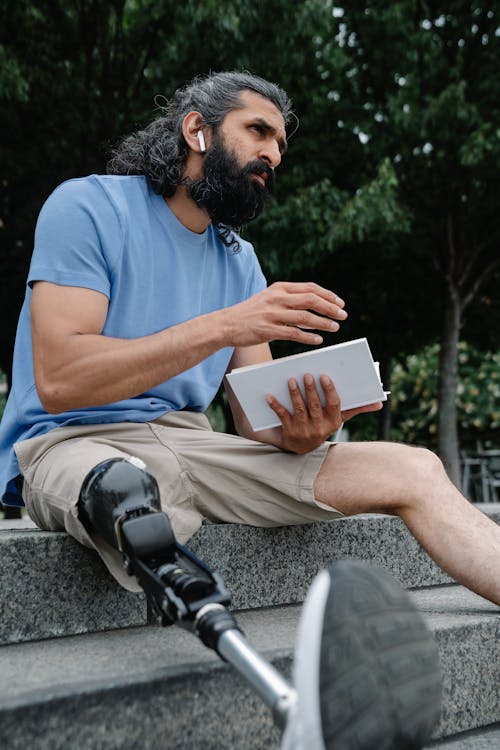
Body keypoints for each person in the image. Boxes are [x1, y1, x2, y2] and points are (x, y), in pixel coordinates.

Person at [0, 68, 496, 748]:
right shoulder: (86, 207)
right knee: (136, 495)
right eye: (258, 132)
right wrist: (227, 325)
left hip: (191, 439)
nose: (273, 155)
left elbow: (259, 422)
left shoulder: (238, 260)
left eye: (282, 145)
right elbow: (59, 378)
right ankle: (287, 704)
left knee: (411, 467)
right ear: (197, 130)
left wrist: (307, 428)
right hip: (73, 439)